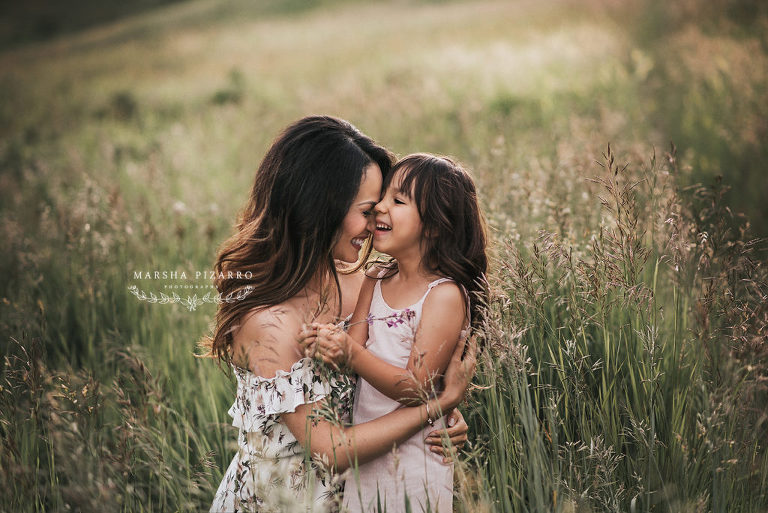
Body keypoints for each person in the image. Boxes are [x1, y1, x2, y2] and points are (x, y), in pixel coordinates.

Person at [204, 117, 476, 513]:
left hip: (361, 494)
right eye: (368, 210)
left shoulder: (361, 282)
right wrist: (434, 405)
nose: (376, 223)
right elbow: (330, 450)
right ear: (322, 208)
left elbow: (397, 368)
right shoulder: (267, 324)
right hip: (281, 502)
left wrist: (439, 416)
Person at [303, 154, 488, 513]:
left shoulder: (443, 296)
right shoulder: (376, 277)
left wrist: (350, 353)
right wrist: (326, 345)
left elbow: (416, 389)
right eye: (382, 198)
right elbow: (351, 353)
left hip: (415, 460)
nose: (379, 208)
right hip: (367, 457)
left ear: (434, 226)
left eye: (397, 201)